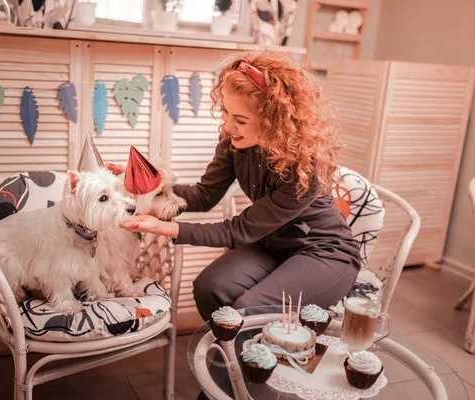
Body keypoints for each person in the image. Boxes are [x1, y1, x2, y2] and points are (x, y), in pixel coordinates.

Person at [114, 50, 361, 323]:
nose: (228, 126)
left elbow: (239, 230)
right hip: (271, 244)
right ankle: (236, 361)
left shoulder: (306, 168)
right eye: (226, 113)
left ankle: (262, 360)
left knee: (247, 308)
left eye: (240, 120)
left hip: (323, 252)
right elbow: (205, 195)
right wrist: (152, 187)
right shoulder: (234, 143)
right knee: (210, 288)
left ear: (274, 122)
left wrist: (165, 227)